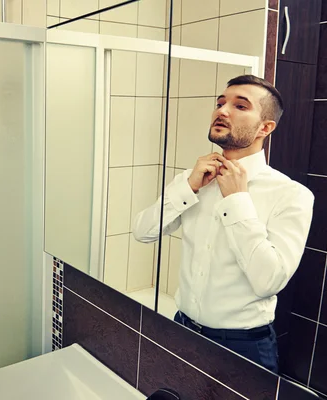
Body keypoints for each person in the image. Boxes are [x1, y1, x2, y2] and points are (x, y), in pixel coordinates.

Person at [132, 75, 314, 374]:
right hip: (182, 329)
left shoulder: (291, 195)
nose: (222, 110)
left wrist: (237, 200)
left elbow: (270, 280)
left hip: (243, 347)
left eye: (240, 105)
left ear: (265, 127)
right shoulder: (192, 180)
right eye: (220, 103)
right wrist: (187, 189)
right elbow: (143, 232)